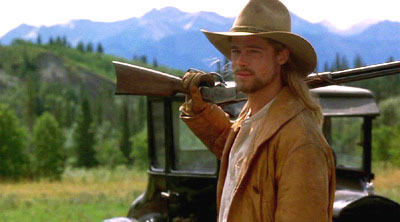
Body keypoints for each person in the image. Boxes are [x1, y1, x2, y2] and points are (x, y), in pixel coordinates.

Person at [179, 0, 336, 221]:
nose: (240, 62)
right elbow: (246, 161)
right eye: (236, 51)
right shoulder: (252, 118)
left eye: (253, 51)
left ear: (281, 56)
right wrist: (200, 110)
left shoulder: (301, 143)